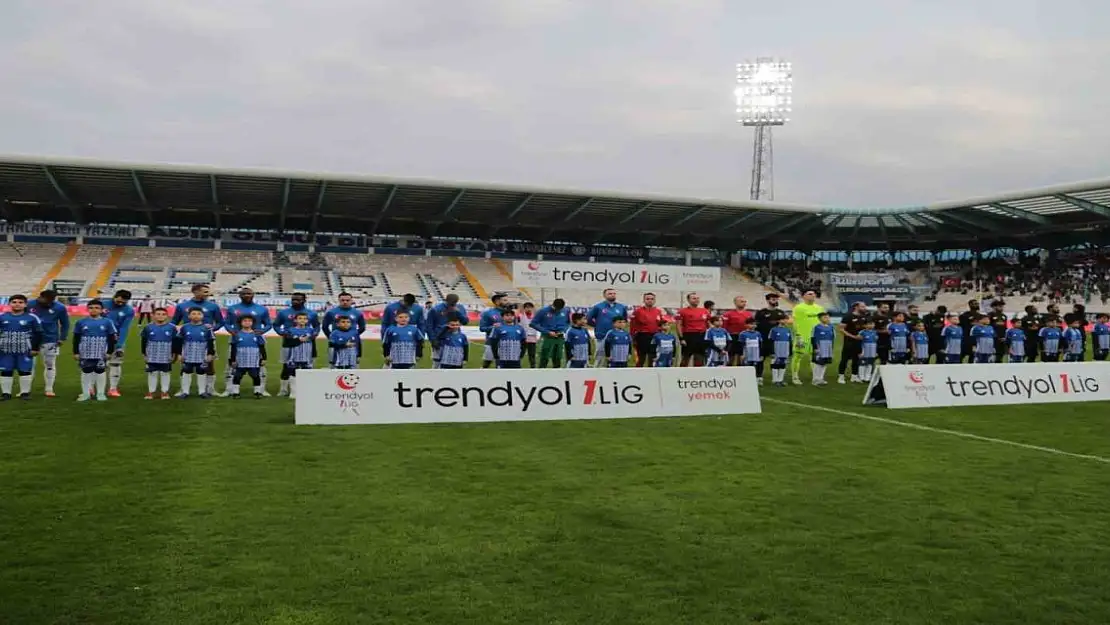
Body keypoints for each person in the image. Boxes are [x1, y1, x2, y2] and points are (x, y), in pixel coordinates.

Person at [172, 284, 224, 396]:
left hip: (206, 339)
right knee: (185, 364)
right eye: (205, 292)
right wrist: (177, 328)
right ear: (195, 292)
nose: (208, 294)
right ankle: (183, 389)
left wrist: (212, 328)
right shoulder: (182, 306)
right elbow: (174, 322)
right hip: (187, 340)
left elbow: (220, 322)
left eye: (208, 292)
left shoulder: (213, 306)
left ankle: (210, 389)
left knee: (209, 364)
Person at [223, 287, 272, 397]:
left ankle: (261, 389)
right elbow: (226, 323)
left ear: (253, 294)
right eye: (244, 293)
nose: (247, 295)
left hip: (256, 340)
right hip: (237, 338)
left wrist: (262, 331)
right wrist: (232, 332)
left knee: (260, 365)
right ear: (239, 295)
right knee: (231, 364)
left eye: (249, 293)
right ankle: (229, 389)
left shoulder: (261, 309)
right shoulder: (232, 309)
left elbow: (269, 324)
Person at [73, 299, 119, 402]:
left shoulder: (107, 322)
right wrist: (76, 352)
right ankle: (85, 393)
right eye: (91, 308)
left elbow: (112, 338)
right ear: (88, 309)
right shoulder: (81, 322)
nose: (94, 310)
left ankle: (100, 393)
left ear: (102, 310)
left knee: (100, 371)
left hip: (101, 351)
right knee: (86, 371)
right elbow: (76, 338)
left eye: (97, 308)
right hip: (85, 351)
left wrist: (109, 352)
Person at [0, 294, 43, 401]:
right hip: (5, 350)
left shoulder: (32, 317)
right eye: (14, 302)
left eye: (20, 302)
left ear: (25, 304)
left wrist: (35, 348)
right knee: (6, 371)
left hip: (24, 349)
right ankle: (6, 394)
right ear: (9, 304)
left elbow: (38, 333)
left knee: (24, 371)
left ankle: (25, 393)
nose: (17, 304)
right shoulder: (2, 316)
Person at [28, 289, 69, 398]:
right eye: (44, 299)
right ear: (40, 297)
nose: (47, 303)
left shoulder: (59, 307)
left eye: (50, 301)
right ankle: (25, 389)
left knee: (50, 364)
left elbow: (65, 323)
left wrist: (62, 337)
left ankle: (49, 389)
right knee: (29, 365)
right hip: (31, 339)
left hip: (50, 339)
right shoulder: (30, 304)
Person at [173, 307, 216, 399]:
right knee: (186, 371)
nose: (196, 316)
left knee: (201, 371)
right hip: (187, 354)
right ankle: (185, 391)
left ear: (202, 316)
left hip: (201, 354)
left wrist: (210, 354)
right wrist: (179, 354)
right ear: (189, 316)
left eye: (198, 314)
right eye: (193, 314)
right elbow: (179, 341)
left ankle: (202, 391)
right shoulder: (184, 327)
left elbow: (210, 342)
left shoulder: (207, 328)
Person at [103, 289, 135, 397]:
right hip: (100, 338)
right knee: (96, 364)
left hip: (116, 339)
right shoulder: (103, 305)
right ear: (115, 296)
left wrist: (120, 344)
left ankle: (113, 388)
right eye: (119, 301)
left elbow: (124, 327)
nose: (120, 303)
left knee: (115, 363)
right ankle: (91, 388)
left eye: (124, 302)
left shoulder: (129, 310)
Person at [140, 307, 176, 400]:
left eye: (163, 314)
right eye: (158, 314)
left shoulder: (172, 328)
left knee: (165, 373)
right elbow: (144, 341)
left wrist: (174, 353)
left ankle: (164, 392)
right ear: (153, 316)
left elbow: (176, 341)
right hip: (152, 353)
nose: (160, 316)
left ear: (167, 316)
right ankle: (151, 392)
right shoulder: (148, 327)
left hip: (166, 353)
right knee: (152, 372)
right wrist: (144, 353)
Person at [790, 290, 825, 384]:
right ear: (803, 296)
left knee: (814, 357)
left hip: (816, 337)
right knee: (798, 356)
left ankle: (816, 377)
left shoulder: (820, 308)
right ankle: (795, 377)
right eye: (809, 294)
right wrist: (798, 335)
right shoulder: (799, 308)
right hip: (802, 336)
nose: (812, 295)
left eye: (814, 294)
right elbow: (795, 322)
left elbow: (823, 322)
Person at [586, 289, 628, 367]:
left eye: (614, 293)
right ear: (604, 295)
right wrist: (597, 325)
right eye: (610, 293)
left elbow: (625, 319)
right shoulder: (598, 307)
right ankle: (597, 373)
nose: (612, 295)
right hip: (602, 335)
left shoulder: (621, 307)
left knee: (616, 357)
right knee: (600, 357)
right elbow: (588, 318)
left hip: (617, 336)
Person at [228, 316, 267, 399]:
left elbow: (262, 347)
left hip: (253, 359)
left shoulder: (257, 334)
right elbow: (233, 348)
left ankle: (257, 392)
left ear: (253, 323)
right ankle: (235, 392)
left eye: (249, 321)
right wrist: (233, 360)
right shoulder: (236, 334)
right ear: (241, 323)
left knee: (256, 376)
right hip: (240, 359)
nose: (247, 322)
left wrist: (264, 358)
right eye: (245, 321)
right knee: (237, 376)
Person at [425, 293, 467, 369]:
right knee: (437, 362)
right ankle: (434, 379)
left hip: (454, 340)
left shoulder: (460, 308)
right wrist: (433, 340)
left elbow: (465, 322)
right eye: (451, 303)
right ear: (446, 300)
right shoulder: (436, 309)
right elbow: (429, 326)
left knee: (455, 362)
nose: (452, 304)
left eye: (454, 303)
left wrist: (458, 312)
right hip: (440, 340)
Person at [280, 312, 316, 397]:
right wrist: (298, 340)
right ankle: (293, 392)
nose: (302, 320)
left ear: (307, 320)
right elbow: (286, 343)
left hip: (307, 355)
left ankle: (305, 391)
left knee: (307, 373)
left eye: (304, 318)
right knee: (293, 373)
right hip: (294, 355)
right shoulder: (290, 330)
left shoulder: (310, 330)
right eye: (300, 318)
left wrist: (314, 354)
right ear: (295, 320)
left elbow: (313, 342)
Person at [531, 298, 569, 368]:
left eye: (559, 309)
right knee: (544, 357)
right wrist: (547, 332)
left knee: (558, 357)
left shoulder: (565, 311)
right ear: (553, 305)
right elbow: (533, 323)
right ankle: (541, 373)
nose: (557, 310)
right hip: (547, 337)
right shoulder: (543, 311)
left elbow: (568, 322)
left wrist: (564, 330)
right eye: (556, 308)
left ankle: (556, 374)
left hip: (559, 337)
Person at [630, 292, 666, 367]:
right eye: (648, 299)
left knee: (653, 357)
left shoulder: (658, 311)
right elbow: (632, 325)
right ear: (644, 300)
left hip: (655, 336)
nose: (650, 300)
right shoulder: (638, 311)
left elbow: (661, 324)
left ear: (655, 300)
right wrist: (633, 338)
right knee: (641, 359)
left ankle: (651, 375)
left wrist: (662, 331)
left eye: (652, 299)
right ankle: (638, 374)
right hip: (642, 336)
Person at [676, 292, 711, 367]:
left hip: (702, 336)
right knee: (685, 358)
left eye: (697, 298)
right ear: (688, 300)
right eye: (694, 298)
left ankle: (697, 376)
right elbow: (678, 325)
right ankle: (680, 376)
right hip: (689, 336)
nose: (696, 300)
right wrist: (681, 338)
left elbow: (709, 324)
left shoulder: (704, 311)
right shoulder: (682, 311)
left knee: (700, 358)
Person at [837, 301, 866, 384]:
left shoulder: (864, 316)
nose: (864, 308)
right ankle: (841, 376)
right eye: (862, 306)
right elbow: (841, 329)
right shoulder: (848, 316)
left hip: (859, 342)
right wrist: (853, 336)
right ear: (856, 307)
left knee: (856, 359)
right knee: (845, 359)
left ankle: (854, 376)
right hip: (849, 342)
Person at [479, 293, 510, 369]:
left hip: (506, 342)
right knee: (487, 362)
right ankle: (480, 375)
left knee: (502, 364)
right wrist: (493, 327)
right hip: (491, 342)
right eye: (505, 300)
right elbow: (482, 328)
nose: (507, 302)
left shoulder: (509, 313)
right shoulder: (488, 313)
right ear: (497, 301)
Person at [721, 296, 752, 366]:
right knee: (730, 356)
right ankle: (728, 372)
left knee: (741, 356)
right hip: (732, 337)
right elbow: (724, 327)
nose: (744, 303)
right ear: (735, 302)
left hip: (744, 337)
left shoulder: (748, 314)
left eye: (745, 302)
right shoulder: (728, 314)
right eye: (741, 301)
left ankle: (740, 372)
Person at [811, 312, 835, 386]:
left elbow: (833, 338)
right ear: (819, 318)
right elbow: (813, 338)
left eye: (828, 317)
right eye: (825, 317)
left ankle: (821, 378)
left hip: (828, 346)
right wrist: (815, 348)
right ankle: (815, 379)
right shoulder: (816, 327)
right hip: (819, 346)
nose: (827, 318)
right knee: (818, 363)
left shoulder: (831, 327)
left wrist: (831, 348)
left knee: (824, 363)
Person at [738, 318, 764, 384]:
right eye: (751, 324)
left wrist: (761, 354)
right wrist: (741, 354)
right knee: (747, 366)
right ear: (746, 325)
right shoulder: (743, 334)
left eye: (754, 324)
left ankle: (755, 379)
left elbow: (760, 344)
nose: (753, 326)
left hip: (755, 353)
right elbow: (741, 345)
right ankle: (745, 379)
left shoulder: (758, 333)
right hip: (747, 353)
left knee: (755, 366)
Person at [768, 317, 793, 387]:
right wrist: (772, 352)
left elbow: (790, 341)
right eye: (783, 319)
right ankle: (775, 380)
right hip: (777, 349)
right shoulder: (774, 329)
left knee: (783, 365)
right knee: (775, 364)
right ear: (779, 320)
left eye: (786, 319)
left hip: (785, 349)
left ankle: (780, 380)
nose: (785, 321)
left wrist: (790, 352)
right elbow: (770, 341)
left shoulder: (788, 330)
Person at [957, 299, 981, 363]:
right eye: (975, 303)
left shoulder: (980, 316)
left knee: (973, 356)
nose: (977, 305)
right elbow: (960, 325)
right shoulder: (965, 315)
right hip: (966, 339)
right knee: (962, 355)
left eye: (977, 303)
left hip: (976, 339)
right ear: (970, 305)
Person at [519, 302, 539, 367]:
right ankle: (516, 366)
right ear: (524, 309)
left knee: (532, 354)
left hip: (532, 338)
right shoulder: (521, 316)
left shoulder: (535, 317)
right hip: (523, 337)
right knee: (521, 353)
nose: (529, 309)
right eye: (527, 307)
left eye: (530, 307)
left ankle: (533, 367)